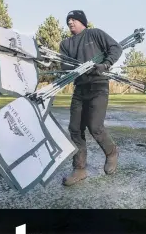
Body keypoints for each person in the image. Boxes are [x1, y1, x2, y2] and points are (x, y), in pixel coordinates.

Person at [59, 10, 123, 186]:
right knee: (75, 129)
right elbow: (64, 65)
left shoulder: (94, 33)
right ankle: (80, 169)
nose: (70, 22)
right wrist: (73, 69)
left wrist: (105, 64)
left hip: (98, 85)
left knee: (95, 126)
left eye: (73, 19)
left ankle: (111, 153)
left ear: (82, 22)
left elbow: (116, 48)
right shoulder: (66, 44)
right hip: (80, 88)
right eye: (68, 20)